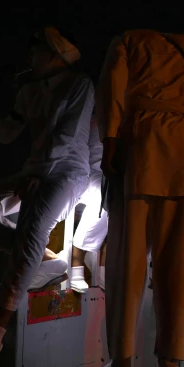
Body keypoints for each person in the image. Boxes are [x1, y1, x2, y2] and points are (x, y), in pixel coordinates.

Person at [0, 27, 93, 367]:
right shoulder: (27, 91)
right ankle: (38, 261)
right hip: (35, 170)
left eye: (35, 53)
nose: (29, 60)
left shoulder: (80, 85)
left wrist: (41, 173)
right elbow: (8, 133)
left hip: (66, 172)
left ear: (55, 56)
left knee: (34, 227)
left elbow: (66, 135)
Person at [88, 29, 184, 367]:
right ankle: (169, 366)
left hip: (141, 143)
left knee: (128, 260)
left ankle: (121, 364)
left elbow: (112, 88)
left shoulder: (127, 41)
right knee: (175, 265)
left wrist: (109, 139)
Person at [69, 112, 109, 293]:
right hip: (85, 170)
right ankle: (77, 259)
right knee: (104, 195)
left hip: (109, 173)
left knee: (120, 202)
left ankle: (104, 267)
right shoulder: (90, 109)